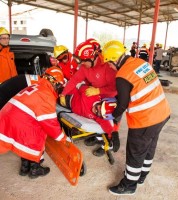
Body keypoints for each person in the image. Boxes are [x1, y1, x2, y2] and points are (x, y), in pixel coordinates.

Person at [102, 40, 171, 195]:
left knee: (136, 152)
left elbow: (121, 105)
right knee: (149, 146)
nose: (110, 67)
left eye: (109, 63)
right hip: (162, 112)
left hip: (145, 120)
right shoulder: (140, 62)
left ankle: (129, 185)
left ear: (114, 59)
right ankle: (142, 176)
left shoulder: (122, 75)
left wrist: (110, 117)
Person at [0, 66, 68, 179]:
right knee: (38, 133)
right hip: (18, 120)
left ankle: (25, 167)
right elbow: (50, 124)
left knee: (25, 139)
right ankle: (35, 168)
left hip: (10, 115)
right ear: (56, 83)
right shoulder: (46, 95)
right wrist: (63, 138)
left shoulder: (37, 85)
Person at [59, 39, 120, 155]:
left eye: (83, 61)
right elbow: (75, 80)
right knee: (99, 117)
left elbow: (114, 89)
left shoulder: (108, 66)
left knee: (109, 119)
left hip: (109, 97)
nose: (81, 64)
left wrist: (98, 91)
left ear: (93, 57)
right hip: (92, 96)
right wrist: (63, 93)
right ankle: (97, 136)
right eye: (79, 61)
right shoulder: (85, 67)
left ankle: (105, 143)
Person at [60, 84, 120, 156]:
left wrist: (113, 135)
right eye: (99, 107)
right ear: (101, 101)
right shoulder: (91, 95)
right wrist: (64, 93)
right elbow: (77, 88)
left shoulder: (99, 117)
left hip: (69, 106)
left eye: (100, 113)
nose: (97, 110)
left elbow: (107, 125)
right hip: (69, 96)